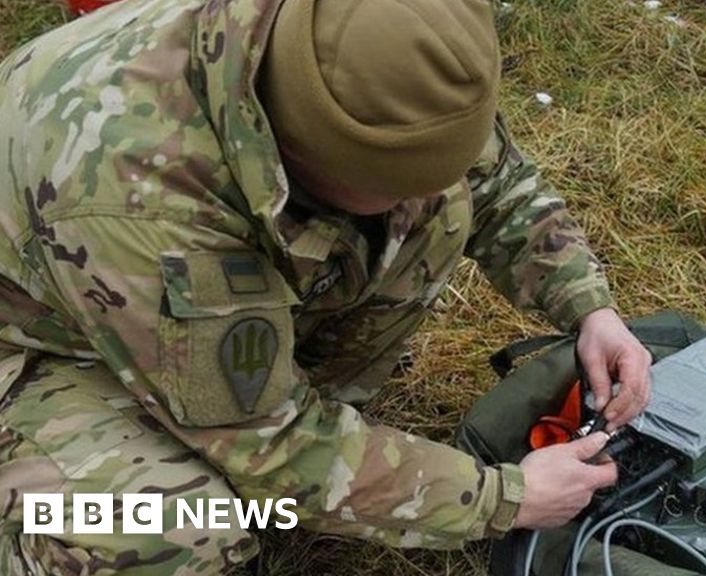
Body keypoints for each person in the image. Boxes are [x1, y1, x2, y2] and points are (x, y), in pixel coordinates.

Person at [0, 0, 653, 573]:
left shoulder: (358, 47)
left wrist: (589, 308)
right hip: (36, 342)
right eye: (396, 181)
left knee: (439, 208)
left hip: (137, 296)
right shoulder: (151, 202)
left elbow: (493, 180)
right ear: (309, 155)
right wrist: (503, 499)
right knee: (176, 531)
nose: (424, 195)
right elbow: (272, 447)